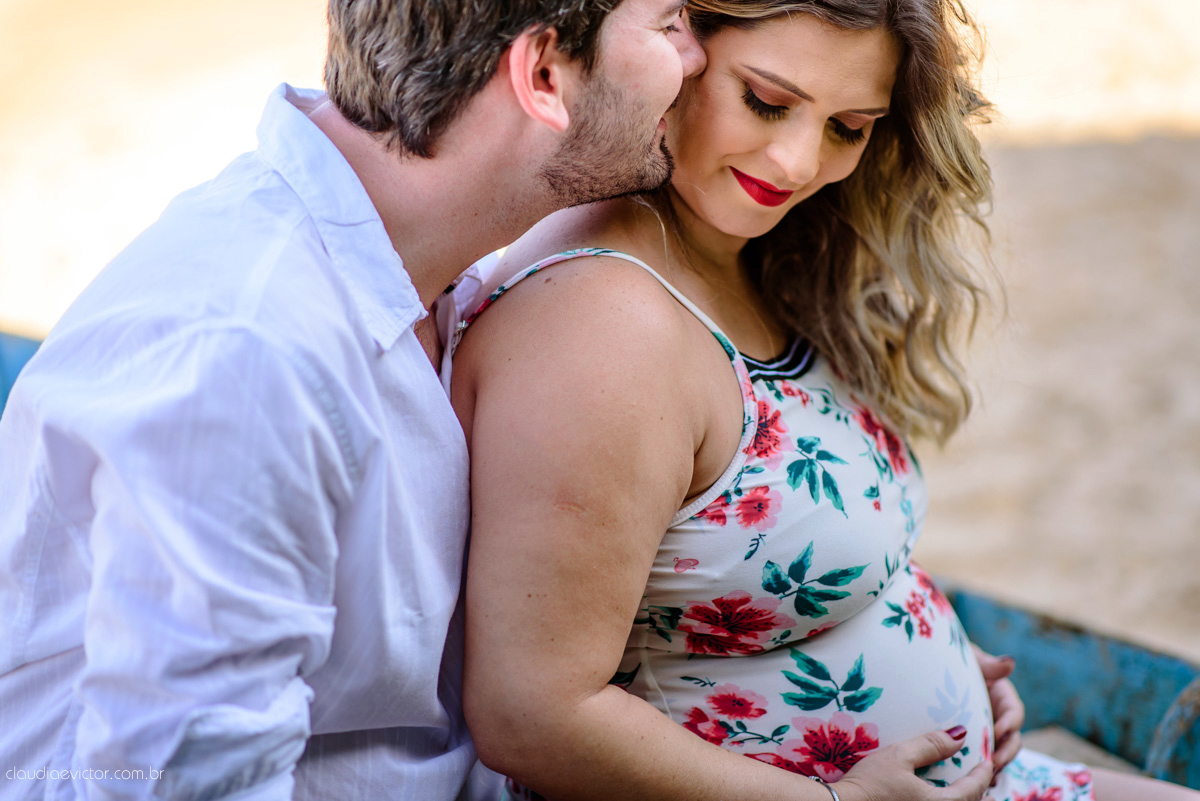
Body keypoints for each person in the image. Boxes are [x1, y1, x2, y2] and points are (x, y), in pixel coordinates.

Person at [448, 1, 1200, 800]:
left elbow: (749, 564)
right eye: (767, 102)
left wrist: (949, 671)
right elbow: (531, 713)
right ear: (678, 51)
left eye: (850, 126)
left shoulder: (742, 255)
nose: (798, 162)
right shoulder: (601, 323)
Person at [0, 1, 706, 799]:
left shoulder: (432, 270)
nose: (698, 55)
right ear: (543, 74)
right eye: (670, 20)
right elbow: (185, 782)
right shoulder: (247, 353)